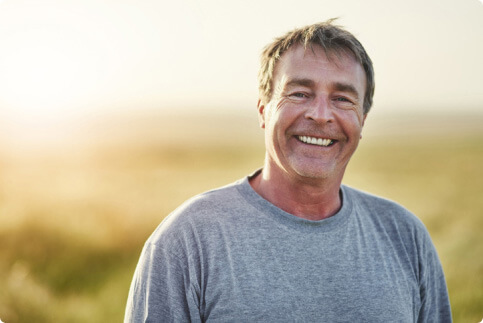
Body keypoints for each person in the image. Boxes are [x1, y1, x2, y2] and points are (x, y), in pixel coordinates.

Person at [125, 20, 452, 322]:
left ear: (362, 120)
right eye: (299, 93)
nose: (321, 115)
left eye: (342, 99)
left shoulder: (405, 237)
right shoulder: (186, 242)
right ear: (263, 110)